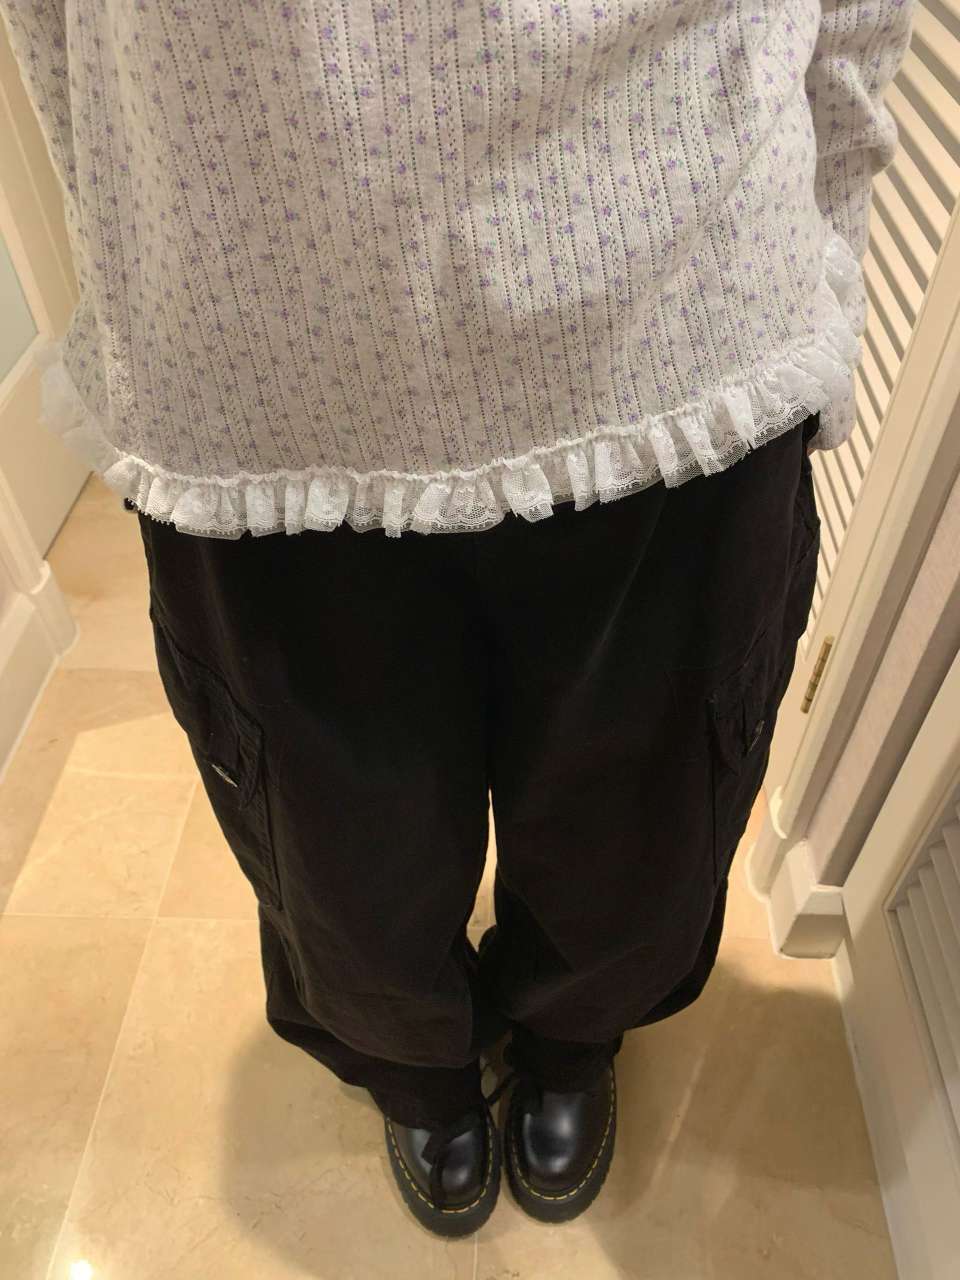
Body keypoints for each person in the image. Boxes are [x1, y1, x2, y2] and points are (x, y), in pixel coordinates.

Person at [3, 0, 913, 1238]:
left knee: (640, 841)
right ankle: (414, 1066)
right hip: (256, 349)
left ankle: (572, 1037)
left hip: (680, 311)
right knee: (337, 864)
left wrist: (833, 263)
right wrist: (132, 272)